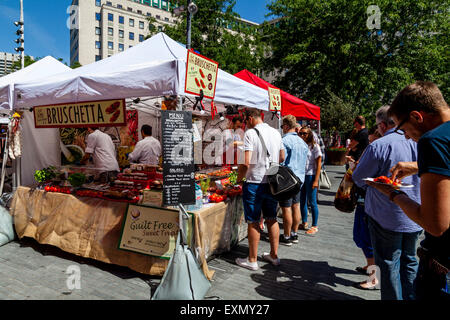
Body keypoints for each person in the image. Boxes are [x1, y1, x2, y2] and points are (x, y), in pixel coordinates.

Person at [365, 81, 449, 300]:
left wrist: (392, 193)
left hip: (442, 262)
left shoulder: (433, 140)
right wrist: (417, 166)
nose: (408, 137)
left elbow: (436, 225)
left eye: (403, 129)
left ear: (416, 117)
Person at [352, 105, 423, 300]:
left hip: (387, 215)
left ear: (383, 124)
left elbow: (359, 178)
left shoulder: (380, 145)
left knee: (389, 263)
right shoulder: (421, 141)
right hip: (416, 213)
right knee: (409, 261)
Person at [235, 108, 285, 271]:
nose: (245, 124)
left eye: (245, 121)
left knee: (253, 220)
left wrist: (238, 179)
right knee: (271, 218)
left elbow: (245, 162)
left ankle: (252, 260)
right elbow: (282, 157)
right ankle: (274, 255)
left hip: (255, 183)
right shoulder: (276, 133)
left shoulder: (250, 133)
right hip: (272, 182)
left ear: (250, 118)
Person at [351, 125, 382, 290]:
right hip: (367, 200)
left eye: (371, 141)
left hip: (367, 200)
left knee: (365, 238)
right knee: (363, 237)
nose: (369, 145)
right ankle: (371, 267)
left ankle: (373, 277)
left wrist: (356, 168)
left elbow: (360, 176)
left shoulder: (376, 152)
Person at [278, 115, 309, 246]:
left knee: (286, 207)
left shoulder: (284, 141)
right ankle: (294, 234)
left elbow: (281, 160)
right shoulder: (302, 142)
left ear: (286, 126)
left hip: (287, 179)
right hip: (300, 178)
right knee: (296, 206)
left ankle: (286, 235)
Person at [298, 126, 322, 234]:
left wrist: (316, 180)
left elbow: (319, 164)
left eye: (304, 133)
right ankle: (304, 222)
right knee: (302, 200)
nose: (302, 135)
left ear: (309, 134)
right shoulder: (300, 145)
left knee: (312, 202)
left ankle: (315, 225)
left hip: (311, 175)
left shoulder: (315, 146)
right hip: (301, 175)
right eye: (300, 133)